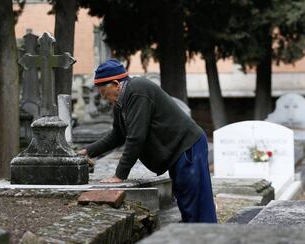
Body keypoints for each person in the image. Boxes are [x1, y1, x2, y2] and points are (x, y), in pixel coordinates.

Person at [78, 59, 217, 223]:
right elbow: (118, 135)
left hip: (187, 145)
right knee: (186, 200)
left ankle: (206, 236)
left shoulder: (137, 91)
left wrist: (119, 175)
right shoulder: (120, 103)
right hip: (177, 150)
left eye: (103, 91)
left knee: (195, 201)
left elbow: (136, 137)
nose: (103, 97)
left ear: (115, 84)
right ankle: (194, 234)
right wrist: (88, 151)